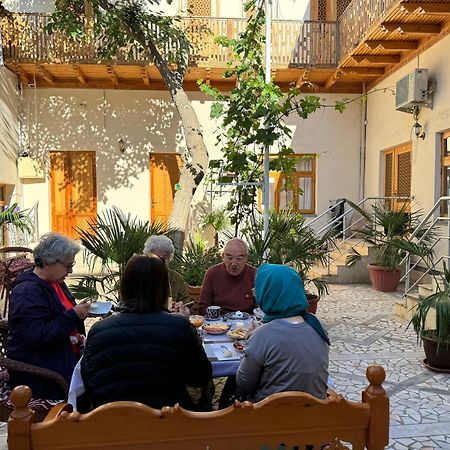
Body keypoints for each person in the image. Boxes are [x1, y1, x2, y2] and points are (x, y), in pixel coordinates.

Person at [80, 254, 212, 410]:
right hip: (169, 421)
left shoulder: (98, 331)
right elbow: (200, 377)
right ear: (162, 288)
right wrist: (188, 327)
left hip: (114, 422)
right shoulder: (178, 327)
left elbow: (89, 380)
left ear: (125, 286)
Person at [7, 233, 90, 399]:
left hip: (61, 356)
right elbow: (38, 335)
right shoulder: (27, 291)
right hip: (41, 372)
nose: (71, 271)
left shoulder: (55, 283)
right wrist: (74, 315)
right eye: (67, 266)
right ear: (47, 262)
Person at [235, 264, 330, 403]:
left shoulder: (263, 335)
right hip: (314, 413)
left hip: (271, 416)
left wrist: (251, 338)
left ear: (267, 293)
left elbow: (244, 384)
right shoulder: (317, 325)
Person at [199, 238, 256, 315]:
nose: (234, 264)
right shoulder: (212, 273)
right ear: (223, 257)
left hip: (247, 321)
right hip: (218, 322)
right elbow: (203, 306)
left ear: (247, 258)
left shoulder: (255, 274)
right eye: (229, 258)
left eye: (239, 259)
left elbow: (260, 309)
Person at [143, 235, 191, 315]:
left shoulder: (176, 278)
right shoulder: (140, 276)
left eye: (164, 258)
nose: (160, 262)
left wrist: (180, 309)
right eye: (156, 258)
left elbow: (187, 302)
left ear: (169, 258)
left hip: (171, 321)